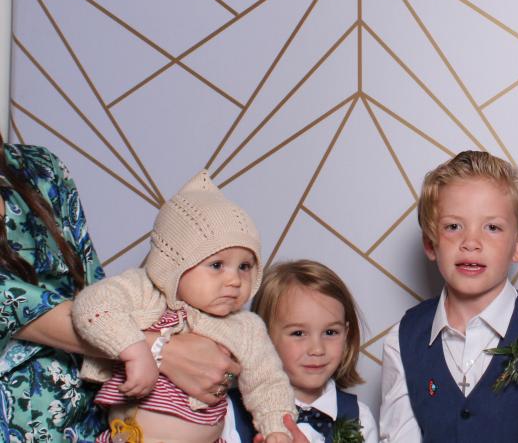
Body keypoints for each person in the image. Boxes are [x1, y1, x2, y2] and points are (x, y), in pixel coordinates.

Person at [0, 139, 239, 442]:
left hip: (90, 422)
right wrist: (159, 349)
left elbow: (92, 292)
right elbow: (11, 302)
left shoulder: (40, 167)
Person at [70, 170, 294, 442]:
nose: (235, 280)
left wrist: (276, 428)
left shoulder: (246, 327)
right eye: (217, 265)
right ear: (174, 265)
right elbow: (91, 306)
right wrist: (136, 350)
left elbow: (267, 381)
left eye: (245, 266)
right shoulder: (143, 292)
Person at [379, 151, 518, 442]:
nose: (471, 243)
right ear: (431, 244)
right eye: (453, 227)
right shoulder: (403, 338)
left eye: (492, 227)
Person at [224, 259, 378, 442]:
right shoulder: (228, 412)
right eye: (298, 333)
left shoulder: (360, 418)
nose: (317, 349)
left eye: (330, 332)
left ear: (346, 334)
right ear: (263, 338)